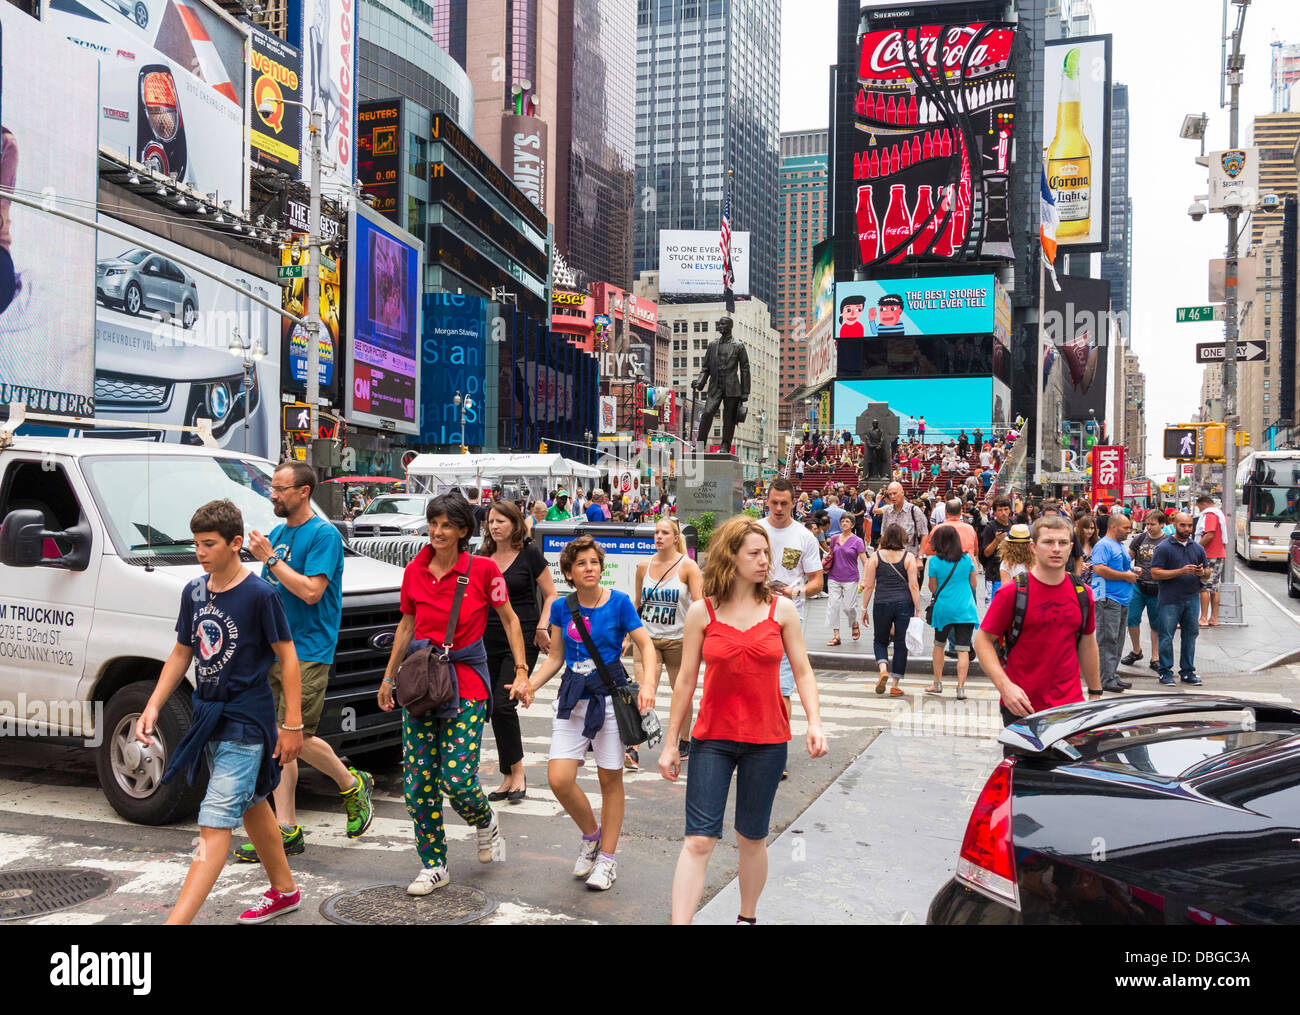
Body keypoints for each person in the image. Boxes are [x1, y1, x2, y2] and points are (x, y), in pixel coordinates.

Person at [135, 499, 304, 924]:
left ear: (234, 543)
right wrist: (153, 705)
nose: (201, 552)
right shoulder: (194, 591)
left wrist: (292, 725)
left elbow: (288, 660)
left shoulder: (260, 594)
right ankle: (285, 890)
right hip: (207, 716)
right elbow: (180, 652)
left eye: (209, 544)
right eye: (196, 544)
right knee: (253, 804)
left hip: (247, 722)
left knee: (213, 823)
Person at [658, 515, 828, 924]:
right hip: (712, 738)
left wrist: (815, 723)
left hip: (767, 741)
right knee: (699, 840)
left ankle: (746, 918)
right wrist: (669, 744)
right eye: (755, 553)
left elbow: (803, 671)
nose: (765, 560)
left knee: (751, 838)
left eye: (767, 552)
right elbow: (685, 681)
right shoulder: (703, 613)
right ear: (731, 558)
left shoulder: (781, 609)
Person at [378, 494, 529, 895]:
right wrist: (388, 678)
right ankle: (434, 865)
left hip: (467, 683)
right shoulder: (414, 570)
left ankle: (484, 820)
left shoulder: (481, 571)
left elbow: (511, 621)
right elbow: (406, 627)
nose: (438, 531)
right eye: (433, 523)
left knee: (458, 780)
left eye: (447, 525)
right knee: (418, 784)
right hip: (422, 682)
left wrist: (521, 670)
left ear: (464, 531)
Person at [236, 462, 373, 864]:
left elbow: (312, 592)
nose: (273, 495)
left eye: (280, 488)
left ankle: (351, 784)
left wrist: (271, 560)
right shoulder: (277, 536)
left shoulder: (324, 536)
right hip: (276, 649)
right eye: (272, 488)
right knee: (280, 741)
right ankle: (287, 830)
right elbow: (268, 594)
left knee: (295, 735)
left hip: (310, 649)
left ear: (304, 491)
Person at [509, 536, 658, 891]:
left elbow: (646, 645)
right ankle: (591, 836)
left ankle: (607, 860)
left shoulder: (619, 603)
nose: (589, 568)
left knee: (610, 781)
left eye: (594, 562)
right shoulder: (562, 607)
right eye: (581, 564)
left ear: (601, 567)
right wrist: (529, 683)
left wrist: (649, 683)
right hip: (573, 698)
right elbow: (556, 658)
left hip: (608, 699)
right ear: (569, 573)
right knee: (559, 778)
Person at [973, 516, 1102, 727]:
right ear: (1033, 547)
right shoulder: (1012, 592)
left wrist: (1095, 694)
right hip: (1022, 707)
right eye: (1048, 542)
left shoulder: (1083, 594)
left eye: (1062, 543)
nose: (1056, 549)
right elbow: (983, 641)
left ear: (1071, 548)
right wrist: (1005, 686)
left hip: (1070, 707)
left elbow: (1087, 644)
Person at [479, 500, 557, 802]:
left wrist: (542, 626)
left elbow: (551, 594)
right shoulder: (483, 556)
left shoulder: (530, 555)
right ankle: (508, 775)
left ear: (514, 523)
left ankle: (518, 772)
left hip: (522, 637)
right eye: (490, 521)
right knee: (493, 710)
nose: (495, 526)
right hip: (487, 637)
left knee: (503, 705)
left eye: (501, 521)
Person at [759, 478, 824, 775]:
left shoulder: (804, 537)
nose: (779, 508)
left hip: (788, 620)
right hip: (752, 616)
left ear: (794, 503)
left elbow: (817, 581)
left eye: (784, 503)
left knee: (782, 688)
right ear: (767, 501)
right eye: (774, 502)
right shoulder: (756, 531)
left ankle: (777, 754)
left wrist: (797, 592)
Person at [634, 517, 705, 768]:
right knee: (642, 693)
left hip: (678, 641)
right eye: (656, 532)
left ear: (676, 538)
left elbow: (699, 606)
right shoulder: (643, 566)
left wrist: (702, 640)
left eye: (665, 532)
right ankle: (633, 746)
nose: (659, 536)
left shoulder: (688, 568)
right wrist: (626, 635)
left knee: (681, 693)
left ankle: (684, 740)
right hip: (647, 640)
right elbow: (637, 604)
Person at [859, 522, 922, 696]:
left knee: (880, 640)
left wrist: (863, 608)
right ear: (903, 538)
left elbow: (869, 586)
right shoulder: (908, 557)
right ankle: (895, 684)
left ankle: (883, 669)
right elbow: (914, 585)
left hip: (881, 603)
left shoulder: (876, 556)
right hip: (904, 604)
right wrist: (918, 609)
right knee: (901, 642)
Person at [1150, 512, 1209, 687]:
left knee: (1190, 635)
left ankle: (1187, 671)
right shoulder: (1164, 547)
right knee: (1166, 636)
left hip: (1192, 598)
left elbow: (1207, 572)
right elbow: (1155, 573)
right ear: (1174, 524)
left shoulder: (1197, 548)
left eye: (1190, 526)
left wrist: (1201, 573)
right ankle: (1165, 672)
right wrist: (1180, 571)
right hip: (1170, 599)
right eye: (1183, 525)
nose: (1187, 529)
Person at [924, 525, 979, 700]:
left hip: (944, 608)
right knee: (963, 648)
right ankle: (961, 688)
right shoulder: (967, 560)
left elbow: (933, 588)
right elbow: (974, 584)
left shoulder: (934, 561)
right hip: (965, 608)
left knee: (939, 644)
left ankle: (937, 683)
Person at [1090, 513, 1139, 693]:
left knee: (1117, 640)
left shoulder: (1116, 545)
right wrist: (1126, 575)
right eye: (1126, 528)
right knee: (1107, 640)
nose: (1129, 531)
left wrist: (1131, 572)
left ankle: (1111, 676)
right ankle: (1105, 678)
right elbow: (1099, 568)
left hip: (1121, 598)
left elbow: (1117, 568)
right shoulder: (1103, 545)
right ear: (1113, 527)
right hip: (1108, 598)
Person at [1123, 509, 1167, 672]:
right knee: (1132, 618)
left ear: (1162, 524)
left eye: (1152, 524)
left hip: (1158, 587)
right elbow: (1128, 558)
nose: (1149, 527)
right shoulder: (1140, 538)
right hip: (1139, 585)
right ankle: (1136, 650)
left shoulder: (1167, 541)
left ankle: (1155, 656)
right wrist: (1130, 568)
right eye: (1147, 524)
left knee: (1156, 623)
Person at [825, 512, 869, 646]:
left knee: (849, 607)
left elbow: (865, 562)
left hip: (850, 577)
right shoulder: (834, 538)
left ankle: (854, 622)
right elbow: (831, 554)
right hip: (833, 576)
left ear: (852, 525)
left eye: (847, 522)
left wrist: (864, 580)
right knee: (833, 605)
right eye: (842, 521)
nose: (844, 523)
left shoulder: (857, 541)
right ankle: (836, 635)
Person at [1194, 494, 1227, 627]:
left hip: (1210, 554)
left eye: (1199, 507)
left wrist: (1197, 547)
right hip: (1219, 553)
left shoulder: (1210, 514)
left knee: (1204, 587)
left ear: (1203, 504)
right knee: (1214, 587)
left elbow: (1209, 534)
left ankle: (1203, 618)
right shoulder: (1219, 514)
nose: (1200, 511)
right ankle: (1214, 618)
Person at [876, 481, 929, 556]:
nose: (892, 497)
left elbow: (924, 534)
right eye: (890, 494)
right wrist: (877, 554)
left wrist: (920, 558)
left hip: (910, 556)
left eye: (895, 493)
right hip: (891, 557)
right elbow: (884, 535)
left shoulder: (914, 510)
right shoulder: (887, 511)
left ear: (902, 493)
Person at [979, 495, 1013, 603]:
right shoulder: (990, 527)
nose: (1003, 512)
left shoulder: (1014, 526)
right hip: (995, 575)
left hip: (1012, 573)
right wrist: (996, 540)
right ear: (995, 512)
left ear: (1010, 510)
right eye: (1000, 510)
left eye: (1006, 509)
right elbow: (986, 553)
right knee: (994, 607)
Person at [1073, 514, 1100, 584]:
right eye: (1086, 528)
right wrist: (1080, 565)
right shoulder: (1074, 542)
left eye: (1092, 528)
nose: (1090, 531)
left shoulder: (1098, 543)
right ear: (1081, 528)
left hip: (1097, 582)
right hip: (1079, 582)